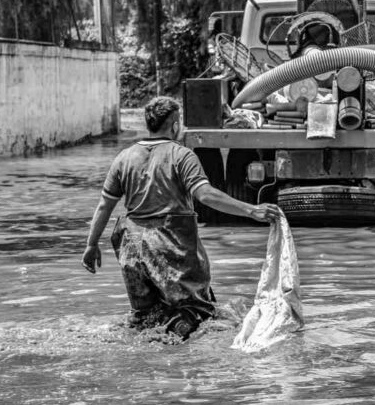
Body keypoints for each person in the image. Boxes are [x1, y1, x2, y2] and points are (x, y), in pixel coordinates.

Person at [81, 96, 282, 340]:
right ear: (175, 124)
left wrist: (91, 245)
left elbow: (105, 206)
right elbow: (205, 195)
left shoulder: (124, 157)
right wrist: (252, 210)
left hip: (132, 249)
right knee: (196, 315)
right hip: (170, 246)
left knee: (146, 319)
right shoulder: (181, 155)